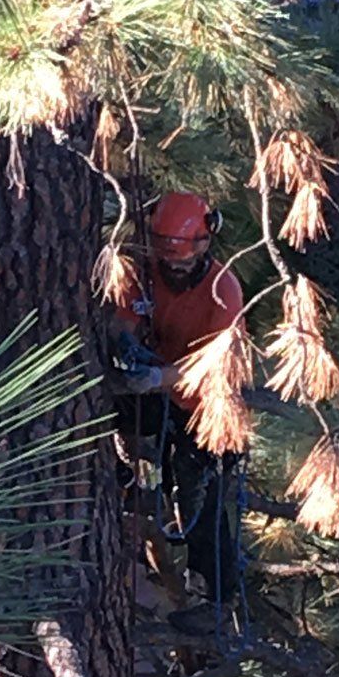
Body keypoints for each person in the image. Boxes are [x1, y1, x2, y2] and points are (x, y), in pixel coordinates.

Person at [111, 192, 245, 630]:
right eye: (169, 262)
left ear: (205, 244)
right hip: (161, 394)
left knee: (200, 501)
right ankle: (120, 480)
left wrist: (158, 377)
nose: (175, 270)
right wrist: (127, 345)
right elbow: (123, 318)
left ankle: (217, 601)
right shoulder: (144, 275)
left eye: (183, 263)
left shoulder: (222, 290)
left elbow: (214, 370)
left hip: (207, 406)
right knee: (104, 404)